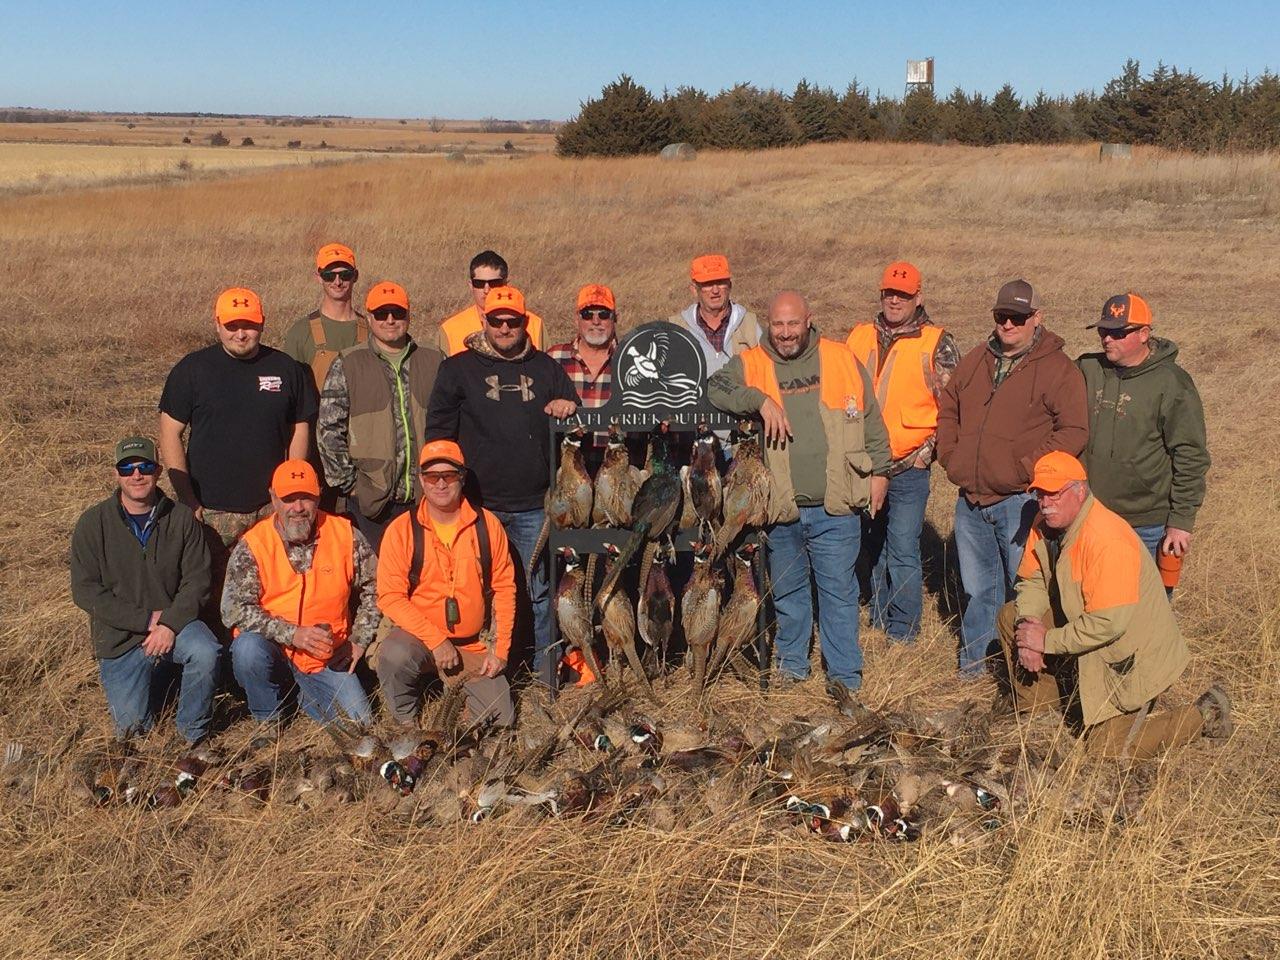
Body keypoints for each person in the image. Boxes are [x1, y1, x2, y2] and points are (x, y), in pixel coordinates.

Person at [709, 290, 890, 710]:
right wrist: (758, 399)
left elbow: (872, 421)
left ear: (809, 320)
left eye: (793, 323)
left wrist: (881, 473)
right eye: (778, 324)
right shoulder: (753, 363)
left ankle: (844, 676)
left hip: (835, 504)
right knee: (788, 593)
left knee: (839, 593)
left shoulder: (841, 358)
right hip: (780, 506)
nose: (786, 333)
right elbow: (714, 388)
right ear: (767, 324)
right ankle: (793, 668)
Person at [999, 452, 1231, 759]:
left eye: (1054, 492)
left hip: (1130, 657)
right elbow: (1032, 579)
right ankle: (1041, 715)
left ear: (1079, 491)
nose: (1045, 501)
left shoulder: (1107, 540)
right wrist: (1028, 626)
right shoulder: (1044, 523)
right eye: (1040, 493)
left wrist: (1046, 640)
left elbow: (1107, 625)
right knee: (1010, 616)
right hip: (1092, 631)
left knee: (1106, 750)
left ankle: (1208, 710)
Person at [425, 284, 579, 681]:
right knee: (482, 592)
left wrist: (569, 407)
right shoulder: (457, 369)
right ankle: (485, 673)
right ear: (485, 320)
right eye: (497, 320)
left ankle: (545, 673)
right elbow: (439, 437)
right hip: (479, 505)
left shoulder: (547, 368)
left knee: (539, 593)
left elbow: (574, 426)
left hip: (534, 505)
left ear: (525, 322)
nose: (506, 327)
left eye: (513, 320)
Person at [936, 279, 1087, 676]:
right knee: (977, 590)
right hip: (971, 500)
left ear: (1037, 318)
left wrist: (1027, 469)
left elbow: (1074, 431)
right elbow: (948, 405)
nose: (1008, 325)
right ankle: (974, 666)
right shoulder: (977, 359)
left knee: (1026, 590)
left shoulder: (1057, 369)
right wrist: (950, 456)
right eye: (1001, 316)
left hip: (1020, 502)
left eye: (1017, 317)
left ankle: (1022, 673)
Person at [158, 287, 316, 602]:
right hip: (212, 511)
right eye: (232, 326)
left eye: (249, 325)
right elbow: (168, 433)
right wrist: (189, 501)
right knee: (212, 598)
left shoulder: (285, 369)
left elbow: (301, 425)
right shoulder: (193, 370)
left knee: (272, 595)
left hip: (269, 510)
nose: (240, 334)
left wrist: (289, 494)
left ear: (262, 324)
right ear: (217, 325)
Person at [70, 436, 219, 746]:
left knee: (205, 651)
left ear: (159, 470)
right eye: (127, 468)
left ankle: (191, 736)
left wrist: (168, 624)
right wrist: (147, 621)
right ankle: (162, 683)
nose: (136, 475)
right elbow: (85, 591)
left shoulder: (181, 520)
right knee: (133, 735)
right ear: (116, 474)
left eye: (144, 467)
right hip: (121, 639)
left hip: (172, 628)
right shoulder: (92, 523)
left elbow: (198, 580)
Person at [847, 262, 960, 642]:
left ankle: (903, 630)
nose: (895, 300)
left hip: (909, 466)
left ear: (918, 297)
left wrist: (926, 452)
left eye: (904, 294)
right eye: (889, 293)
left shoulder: (937, 342)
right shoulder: (860, 336)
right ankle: (879, 617)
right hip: (864, 465)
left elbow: (952, 409)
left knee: (902, 547)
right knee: (870, 545)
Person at [222, 460, 377, 726]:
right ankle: (268, 718)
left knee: (360, 725)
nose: (298, 508)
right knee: (248, 650)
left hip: (324, 659)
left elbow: (377, 588)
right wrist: (292, 634)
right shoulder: (254, 544)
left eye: (305, 497)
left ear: (318, 497)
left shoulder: (345, 535)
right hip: (272, 651)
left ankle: (302, 694)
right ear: (273, 498)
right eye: (289, 498)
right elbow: (233, 609)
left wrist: (359, 639)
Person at [376, 440, 517, 727]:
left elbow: (504, 588)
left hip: (471, 645)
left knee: (500, 721)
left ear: (461, 479)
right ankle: (405, 722)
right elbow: (390, 596)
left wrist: (500, 650)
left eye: (449, 475)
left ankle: (464, 712)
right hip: (420, 641)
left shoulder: (487, 526)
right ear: (422, 481)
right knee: (394, 654)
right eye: (431, 476)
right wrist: (437, 640)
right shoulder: (401, 530)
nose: (440, 483)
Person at [1077, 293, 1209, 591]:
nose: (1107, 339)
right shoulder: (1088, 370)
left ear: (1144, 333)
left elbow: (1191, 455)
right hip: (1090, 516)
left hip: (1147, 524)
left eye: (1118, 333)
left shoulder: (1172, 383)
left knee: (1147, 613)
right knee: (1092, 601)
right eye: (1103, 331)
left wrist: (1180, 520)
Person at [318, 280, 442, 552]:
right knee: (376, 583)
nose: (390, 320)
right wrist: (350, 485)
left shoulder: (434, 360)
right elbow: (329, 430)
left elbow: (451, 423)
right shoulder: (348, 362)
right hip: (373, 504)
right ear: (369, 316)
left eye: (397, 313)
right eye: (381, 313)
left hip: (427, 499)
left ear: (408, 315)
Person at [545, 283, 619, 469]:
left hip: (618, 468)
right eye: (587, 314)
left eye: (603, 314)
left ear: (615, 318)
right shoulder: (554, 358)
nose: (596, 321)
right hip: (568, 467)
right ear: (576, 319)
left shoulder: (632, 360)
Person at [279, 242, 368, 391]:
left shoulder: (372, 331)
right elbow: (290, 390)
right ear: (318, 277)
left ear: (356, 276)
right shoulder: (300, 332)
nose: (337, 282)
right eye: (329, 275)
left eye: (345, 275)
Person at [666, 254, 760, 378]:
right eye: (708, 284)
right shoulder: (676, 329)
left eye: (720, 283)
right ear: (694, 290)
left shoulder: (751, 325)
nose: (715, 291)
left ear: (730, 286)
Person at [437, 250, 545, 357]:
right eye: (479, 283)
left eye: (494, 283)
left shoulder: (534, 324)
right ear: (471, 285)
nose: (486, 290)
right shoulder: (450, 329)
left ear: (506, 284)